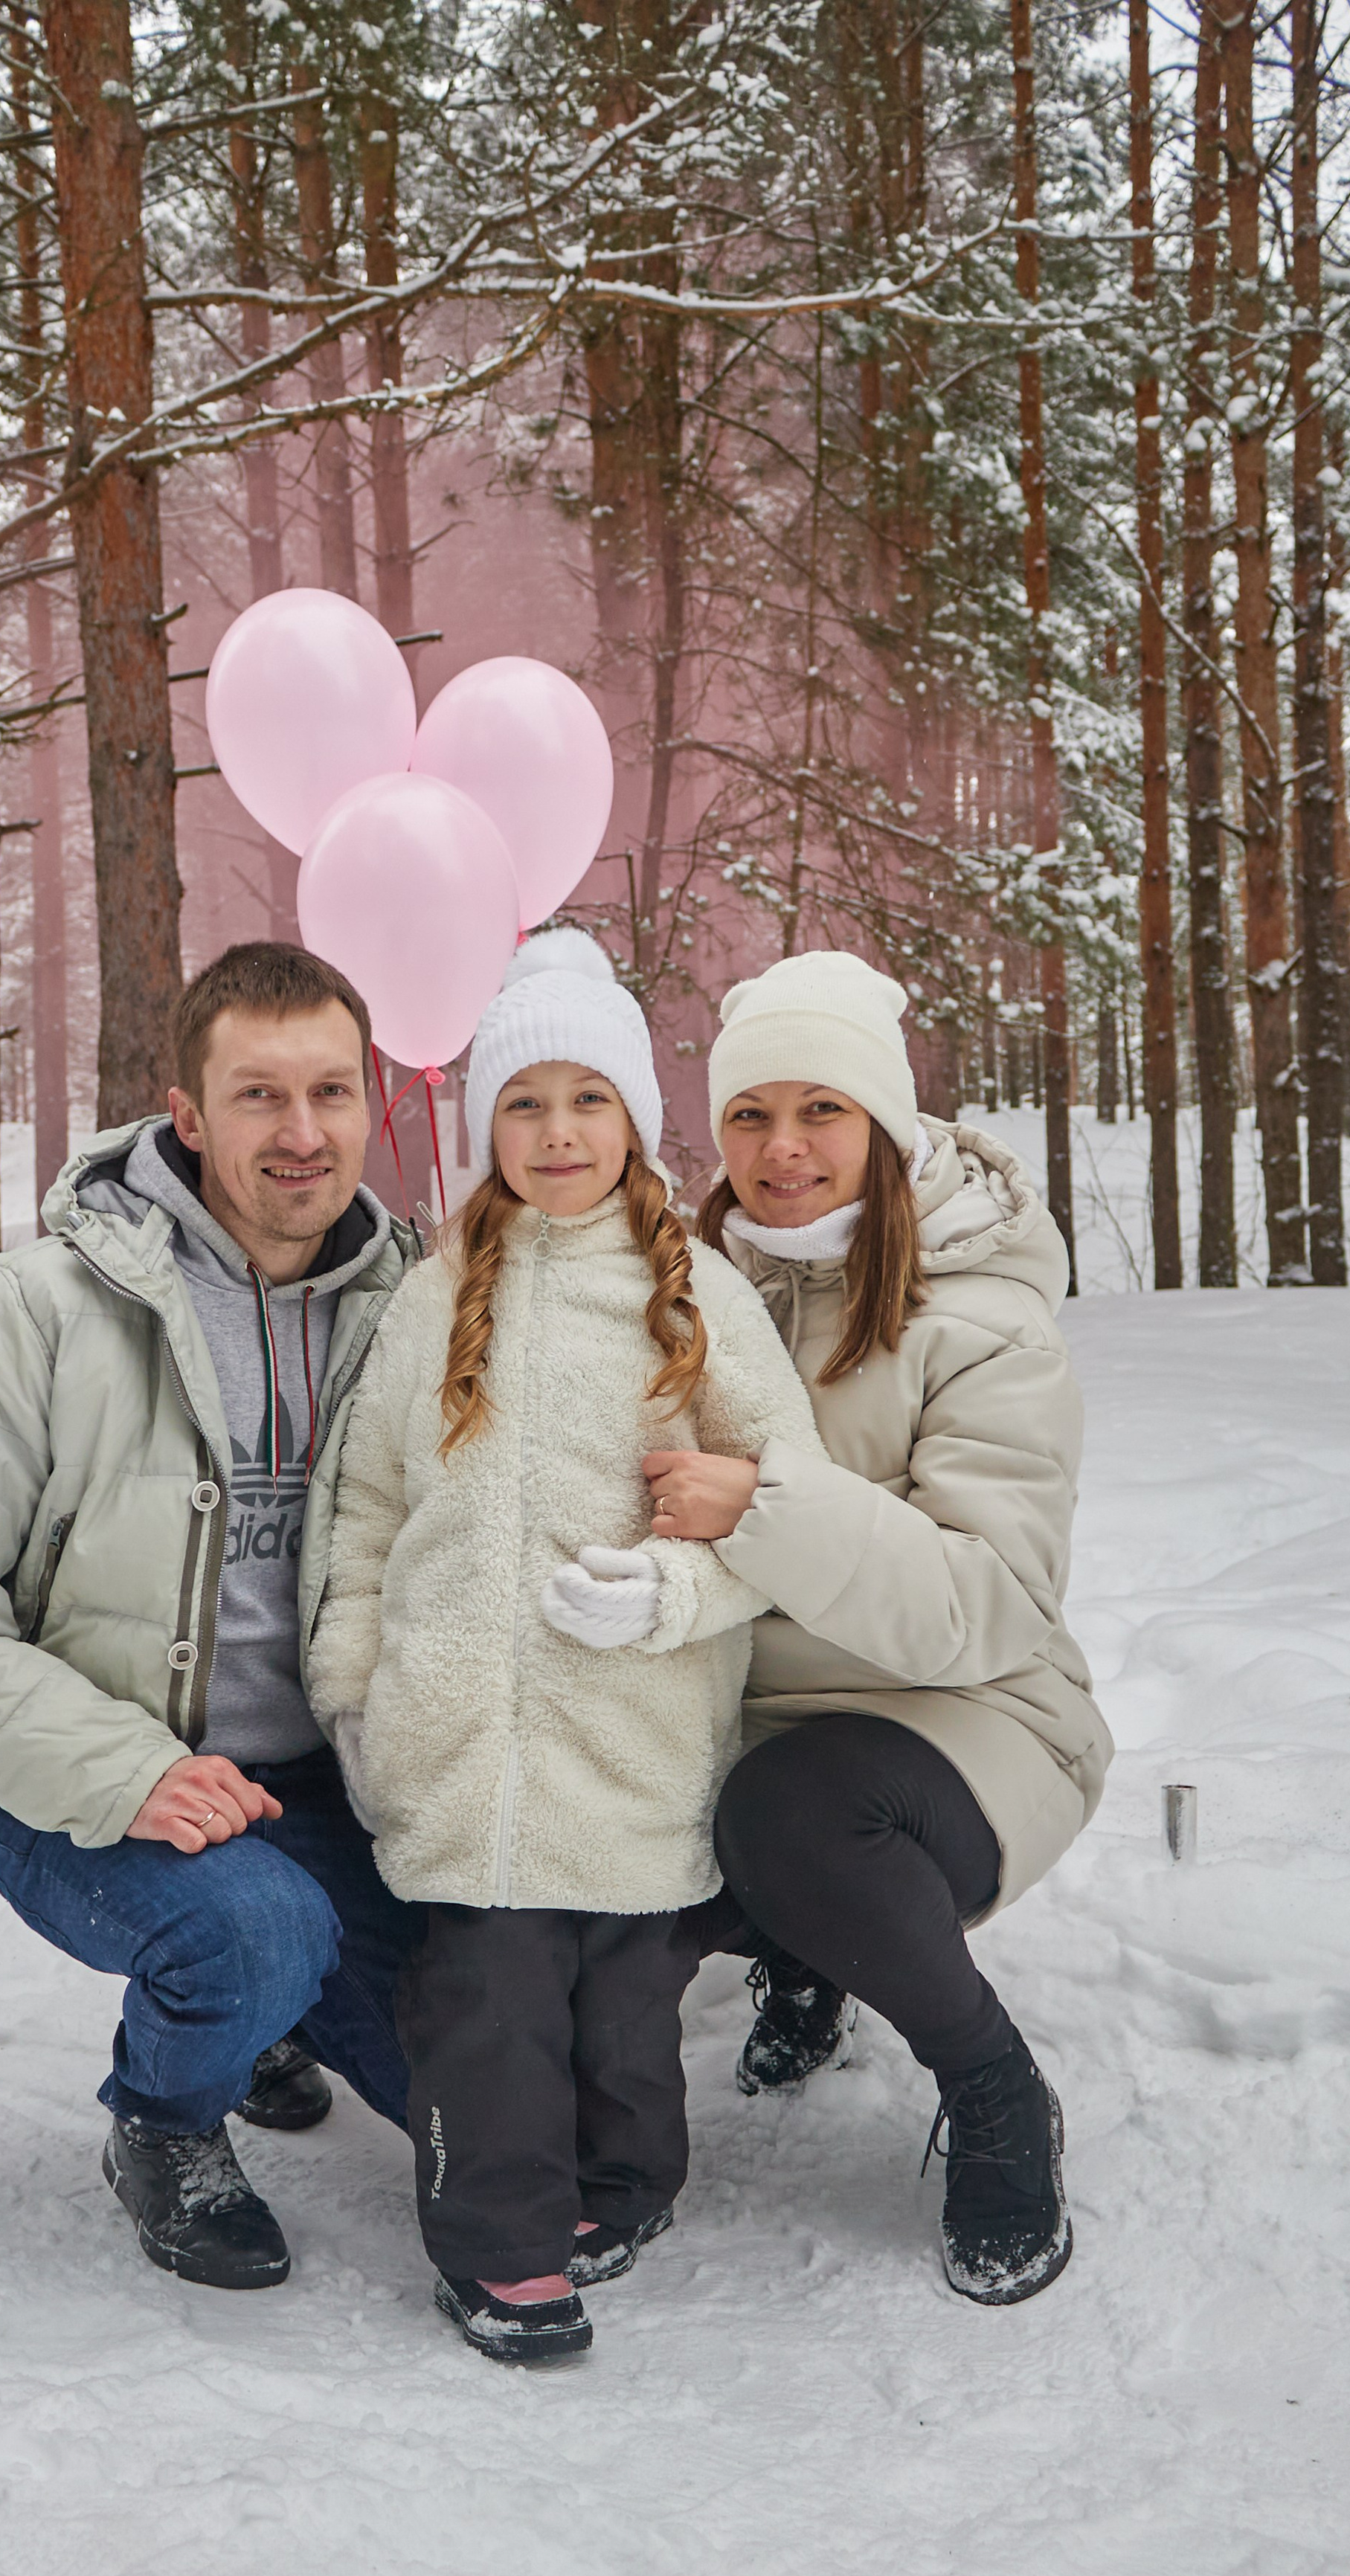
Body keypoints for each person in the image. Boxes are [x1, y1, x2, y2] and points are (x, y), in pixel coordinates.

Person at [0, 942, 425, 2293]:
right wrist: (127, 1771)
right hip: (90, 1785)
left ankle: (276, 2015)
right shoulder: (41, 1307)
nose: (302, 1131)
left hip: (335, 1787)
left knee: (489, 2092)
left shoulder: (417, 1307)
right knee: (254, 1932)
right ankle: (164, 2121)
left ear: (373, 1102)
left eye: (331, 1091)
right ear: (189, 1115)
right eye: (259, 1095)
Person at [309, 935, 824, 2363]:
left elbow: (788, 1506)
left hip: (636, 1734)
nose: (557, 1134)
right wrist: (355, 1694)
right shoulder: (431, 1298)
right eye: (524, 1104)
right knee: (488, 2007)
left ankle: (624, 2186)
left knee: (623, 2016)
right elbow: (366, 1512)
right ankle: (502, 2248)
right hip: (461, 1742)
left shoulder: (699, 1296)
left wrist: (673, 1595)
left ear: (634, 1119)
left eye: (588, 1100)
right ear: (487, 1126)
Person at [645, 950, 1113, 2306]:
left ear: (886, 1126)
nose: (781, 1149)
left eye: (822, 1111)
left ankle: (995, 2087)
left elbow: (989, 1603)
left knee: (793, 1815)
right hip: (745, 1717)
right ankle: (802, 1956)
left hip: (966, 1723)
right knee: (598, 1841)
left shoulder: (981, 1319)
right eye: (749, 1116)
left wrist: (765, 1510)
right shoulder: (686, 1293)